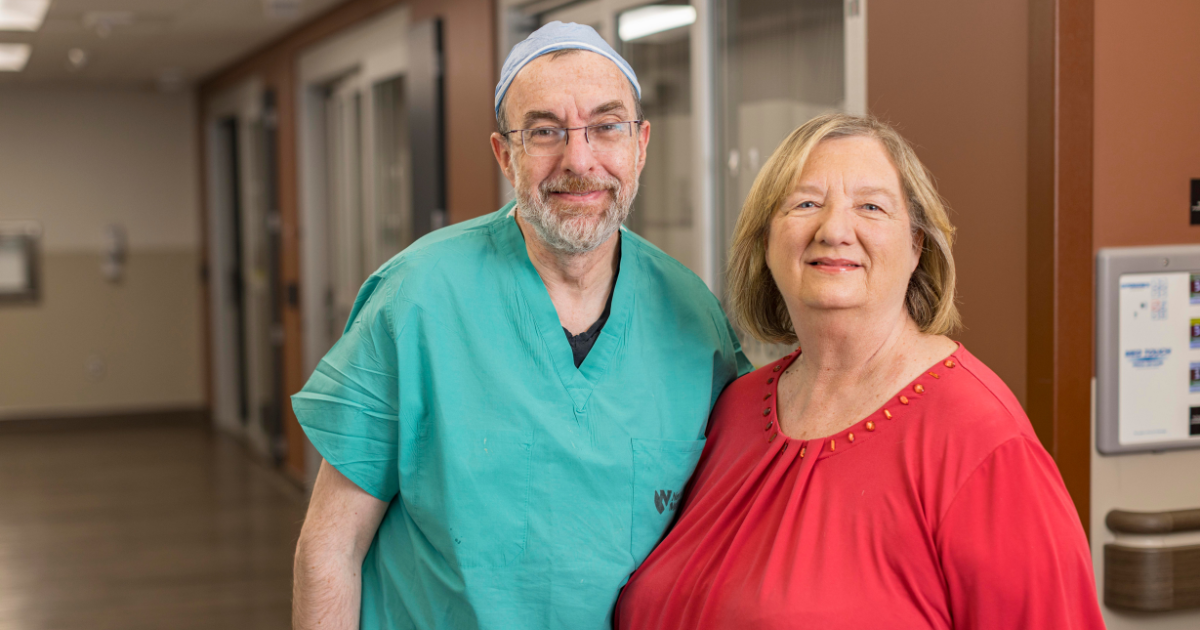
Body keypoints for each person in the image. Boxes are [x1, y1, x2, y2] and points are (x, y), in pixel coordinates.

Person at [290, 21, 750, 630]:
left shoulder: (693, 317)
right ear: (506, 154)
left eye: (605, 126)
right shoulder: (419, 298)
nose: (579, 160)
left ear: (640, 145)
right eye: (544, 132)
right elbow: (331, 546)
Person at [616, 114, 1106, 629]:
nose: (834, 231)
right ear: (766, 240)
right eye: (805, 204)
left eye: (871, 207)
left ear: (917, 244)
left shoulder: (982, 440)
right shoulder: (733, 409)